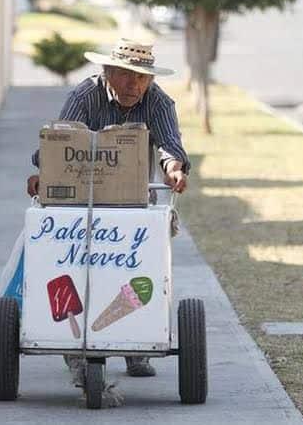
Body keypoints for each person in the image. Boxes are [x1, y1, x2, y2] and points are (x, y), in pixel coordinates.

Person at [26, 39, 190, 378]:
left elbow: (170, 146)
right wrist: (44, 174)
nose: (135, 85)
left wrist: (173, 169)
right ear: (108, 72)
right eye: (127, 75)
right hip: (77, 204)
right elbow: (59, 143)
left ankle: (136, 345)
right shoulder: (85, 96)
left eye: (143, 78)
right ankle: (75, 347)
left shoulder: (157, 102)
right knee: (77, 266)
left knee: (137, 272)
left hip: (133, 201)